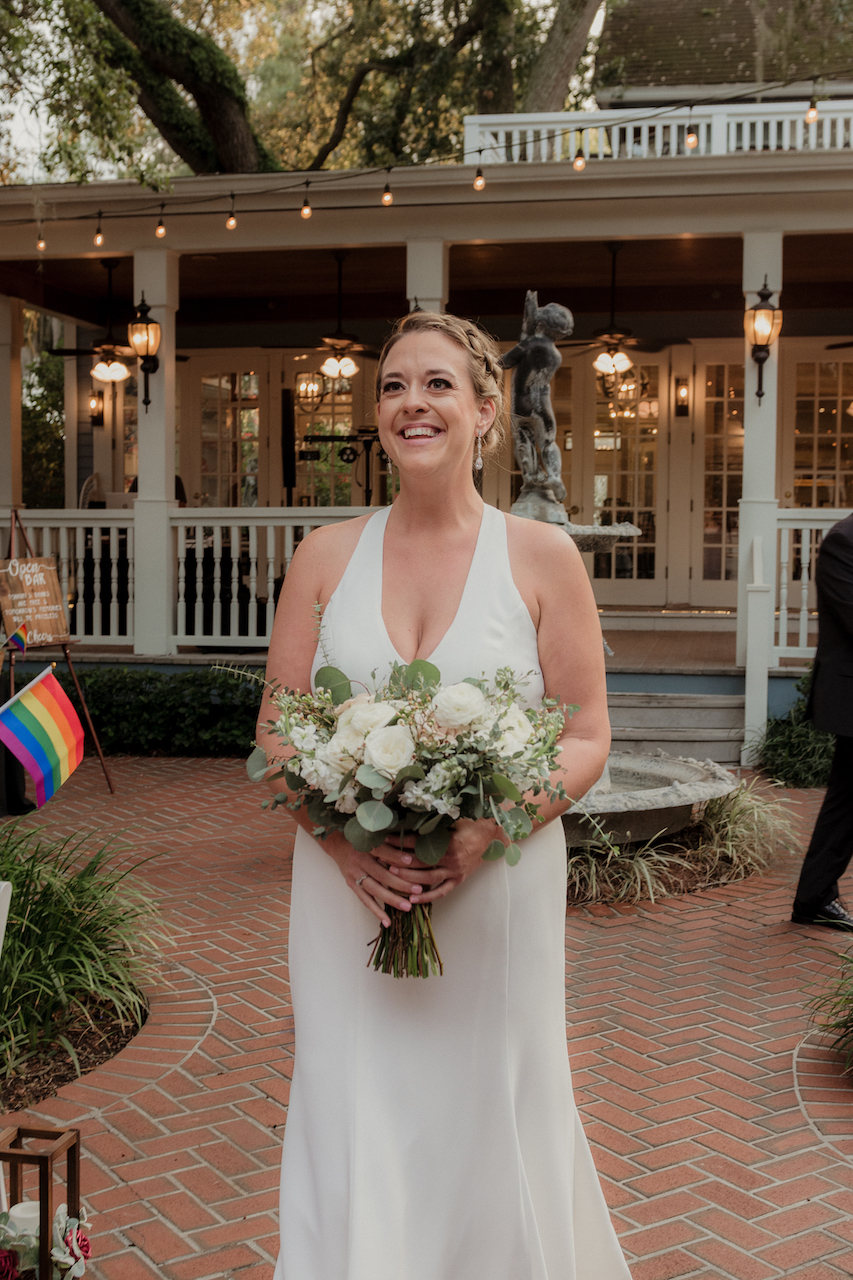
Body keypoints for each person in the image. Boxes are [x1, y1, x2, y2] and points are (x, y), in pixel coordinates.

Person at [257, 310, 632, 1280]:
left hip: (492, 887)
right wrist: (344, 848)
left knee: (493, 1105)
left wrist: (486, 827)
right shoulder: (323, 557)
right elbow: (275, 732)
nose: (410, 402)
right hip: (348, 899)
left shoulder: (542, 556)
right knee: (354, 1101)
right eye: (391, 385)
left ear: (483, 409)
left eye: (433, 384)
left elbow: (587, 732)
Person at [792, 511, 853, 931]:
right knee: (846, 802)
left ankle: (814, 897)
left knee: (846, 803)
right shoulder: (842, 542)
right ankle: (813, 898)